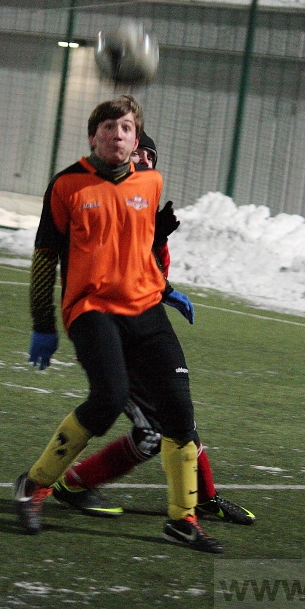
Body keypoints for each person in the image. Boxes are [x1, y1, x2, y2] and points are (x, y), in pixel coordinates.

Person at [14, 95, 223, 552]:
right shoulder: (67, 185)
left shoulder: (150, 183)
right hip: (92, 310)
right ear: (93, 136)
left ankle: (181, 520)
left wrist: (165, 291)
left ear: (136, 140)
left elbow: (137, 252)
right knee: (107, 398)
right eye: (108, 127)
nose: (117, 134)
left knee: (179, 413)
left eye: (126, 128)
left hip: (145, 310)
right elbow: (45, 258)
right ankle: (34, 485)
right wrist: (42, 322)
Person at [49, 132, 255, 526]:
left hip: (142, 332)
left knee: (179, 417)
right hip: (107, 329)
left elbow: (150, 278)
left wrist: (157, 241)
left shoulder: (145, 207)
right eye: (136, 150)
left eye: (150, 154)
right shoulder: (101, 197)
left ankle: (203, 498)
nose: (142, 157)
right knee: (153, 433)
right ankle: (71, 484)